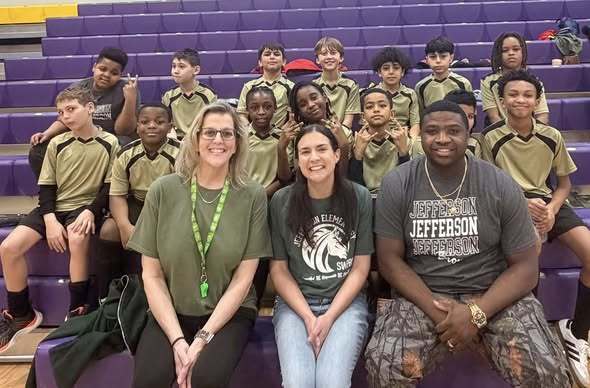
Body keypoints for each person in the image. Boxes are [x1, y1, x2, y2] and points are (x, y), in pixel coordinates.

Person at [364, 100, 571, 387]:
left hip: (493, 293)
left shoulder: (499, 183)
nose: (442, 139)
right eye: (432, 131)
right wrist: (444, 315)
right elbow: (389, 261)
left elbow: (525, 268)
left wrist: (476, 314)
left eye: (453, 131)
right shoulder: (397, 183)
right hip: (424, 295)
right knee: (385, 366)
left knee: (545, 367)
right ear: (419, 135)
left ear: (469, 135)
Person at [127, 101, 272, 388]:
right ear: (195, 140)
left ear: (237, 144)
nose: (218, 140)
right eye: (209, 133)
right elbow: (152, 275)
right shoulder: (163, 190)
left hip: (228, 314)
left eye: (227, 134)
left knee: (206, 379)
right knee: (148, 382)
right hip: (171, 310)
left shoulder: (253, 195)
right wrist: (178, 340)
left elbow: (245, 278)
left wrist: (203, 338)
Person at [481, 69, 590, 387]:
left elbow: (565, 184)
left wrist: (554, 210)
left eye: (528, 95)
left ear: (537, 100)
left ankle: (577, 331)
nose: (520, 100)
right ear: (501, 101)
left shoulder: (551, 135)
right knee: (532, 251)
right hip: (512, 206)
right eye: (513, 94)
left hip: (550, 204)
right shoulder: (491, 138)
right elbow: (489, 185)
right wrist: (521, 203)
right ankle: (532, 332)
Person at [0, 86, 120, 352]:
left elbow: (109, 187)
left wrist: (91, 210)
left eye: (71, 109)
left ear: (90, 108)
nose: (65, 116)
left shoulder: (110, 142)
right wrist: (51, 220)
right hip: (53, 207)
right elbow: (46, 187)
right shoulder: (56, 143)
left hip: (86, 207)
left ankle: (77, 309)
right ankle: (21, 313)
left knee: (77, 239)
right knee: (8, 248)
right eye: (60, 112)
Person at [269, 124, 373, 388]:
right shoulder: (281, 201)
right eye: (305, 152)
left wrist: (328, 317)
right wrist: (308, 317)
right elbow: (279, 271)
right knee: (298, 383)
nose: (313, 158)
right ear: (297, 160)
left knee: (331, 382)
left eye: (321, 149)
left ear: (337, 155)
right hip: (296, 305)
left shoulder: (359, 196)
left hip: (345, 304)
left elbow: (360, 268)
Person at [96, 103, 180, 300]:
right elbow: (117, 195)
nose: (151, 126)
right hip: (137, 201)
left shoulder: (181, 153)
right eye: (145, 122)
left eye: (159, 122)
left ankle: (161, 294)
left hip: (169, 206)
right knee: (109, 230)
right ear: (137, 126)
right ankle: (108, 297)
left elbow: (183, 196)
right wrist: (125, 226)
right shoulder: (125, 154)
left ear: (170, 126)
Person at [28, 47, 139, 178]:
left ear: (120, 75)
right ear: (94, 67)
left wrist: (130, 100)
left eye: (114, 73)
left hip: (113, 137)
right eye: (102, 69)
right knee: (39, 149)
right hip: (80, 135)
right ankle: (52, 189)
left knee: (125, 144)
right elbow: (64, 119)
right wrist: (46, 133)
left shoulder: (128, 89)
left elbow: (123, 130)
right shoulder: (78, 88)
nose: (106, 75)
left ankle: (113, 191)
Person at [349, 88, 410, 195]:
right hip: (365, 199)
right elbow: (354, 186)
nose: (376, 110)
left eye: (382, 105)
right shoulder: (355, 141)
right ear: (363, 117)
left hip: (396, 198)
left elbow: (409, 184)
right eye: (369, 107)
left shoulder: (403, 140)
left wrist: (403, 153)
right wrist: (357, 154)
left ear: (392, 114)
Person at [481, 32, 549, 125]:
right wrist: (511, 136)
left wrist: (534, 135)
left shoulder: (535, 82)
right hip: (500, 133)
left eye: (516, 49)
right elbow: (494, 117)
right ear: (498, 54)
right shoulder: (488, 82)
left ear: (523, 52)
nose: (511, 53)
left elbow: (542, 115)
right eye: (505, 50)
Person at [289, 80, 353, 174]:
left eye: (314, 98)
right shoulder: (296, 135)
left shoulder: (343, 132)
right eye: (303, 104)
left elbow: (343, 176)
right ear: (298, 111)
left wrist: (344, 146)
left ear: (325, 98)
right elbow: (298, 175)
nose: (310, 105)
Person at [162, 48, 217, 140]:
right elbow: (166, 123)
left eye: (181, 66)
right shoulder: (169, 95)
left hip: (200, 138)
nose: (175, 71)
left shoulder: (208, 95)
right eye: (173, 66)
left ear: (196, 70)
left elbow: (213, 123)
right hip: (176, 139)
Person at [365, 46, 420, 138]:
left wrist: (411, 142)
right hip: (377, 136)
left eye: (396, 68)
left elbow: (415, 124)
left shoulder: (410, 94)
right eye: (386, 68)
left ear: (402, 71)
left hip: (403, 136)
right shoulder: (371, 93)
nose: (391, 72)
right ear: (379, 72)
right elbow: (366, 124)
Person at [237, 42, 294, 127]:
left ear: (284, 62)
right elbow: (241, 115)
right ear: (260, 62)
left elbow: (292, 118)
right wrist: (250, 133)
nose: (272, 57)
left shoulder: (291, 87)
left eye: (276, 54)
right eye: (267, 54)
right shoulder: (249, 86)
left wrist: (280, 136)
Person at [312, 36, 361, 130]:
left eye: (333, 53)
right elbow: (315, 119)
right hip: (321, 132)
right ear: (317, 60)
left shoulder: (351, 84)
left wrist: (339, 135)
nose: (329, 57)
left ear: (341, 58)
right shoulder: (313, 86)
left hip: (343, 132)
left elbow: (348, 122)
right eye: (324, 54)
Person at [414, 36, 472, 113]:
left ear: (451, 58)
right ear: (427, 60)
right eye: (433, 57)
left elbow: (470, 112)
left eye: (443, 56)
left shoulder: (463, 83)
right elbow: (421, 114)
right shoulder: (420, 86)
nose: (438, 61)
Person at [444, 89, 482, 158]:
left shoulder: (475, 144)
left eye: (470, 116)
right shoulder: (437, 142)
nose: (466, 121)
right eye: (461, 116)